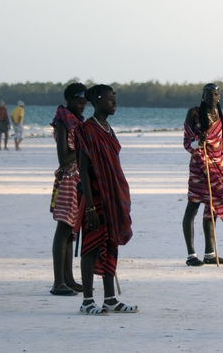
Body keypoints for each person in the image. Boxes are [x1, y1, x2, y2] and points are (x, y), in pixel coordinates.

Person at [75, 84, 136, 314]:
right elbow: (84, 169)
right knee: (90, 248)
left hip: (113, 197)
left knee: (111, 245)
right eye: (110, 100)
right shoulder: (87, 130)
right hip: (96, 199)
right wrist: (89, 207)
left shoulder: (108, 128)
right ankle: (87, 300)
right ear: (98, 101)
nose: (114, 103)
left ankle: (110, 298)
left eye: (115, 99)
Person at [182, 84, 223, 266]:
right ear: (203, 96)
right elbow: (186, 141)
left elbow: (222, 144)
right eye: (208, 94)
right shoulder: (194, 113)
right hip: (200, 167)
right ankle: (191, 255)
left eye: (215, 94)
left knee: (212, 209)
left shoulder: (220, 115)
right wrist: (199, 142)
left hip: (218, 168)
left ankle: (210, 253)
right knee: (193, 207)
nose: (212, 97)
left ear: (219, 97)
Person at [49, 83, 87, 296]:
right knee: (63, 229)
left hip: (77, 179)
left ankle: (68, 279)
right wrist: (82, 149)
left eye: (84, 102)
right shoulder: (63, 121)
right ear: (70, 100)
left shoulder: (75, 121)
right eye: (78, 102)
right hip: (68, 179)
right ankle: (58, 282)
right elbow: (64, 158)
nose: (82, 106)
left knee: (72, 232)